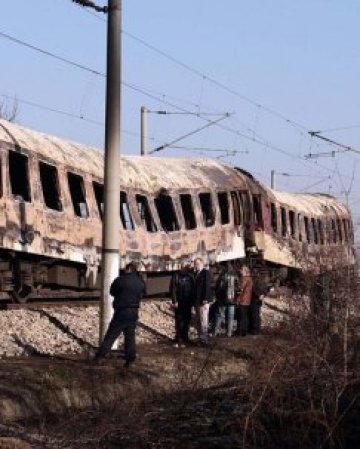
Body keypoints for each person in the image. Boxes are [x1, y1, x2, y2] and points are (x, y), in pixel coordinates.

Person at [94, 262, 145, 367]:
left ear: (129, 269)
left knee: (111, 334)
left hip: (121, 311)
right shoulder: (140, 282)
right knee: (130, 336)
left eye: (126, 268)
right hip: (133, 311)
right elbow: (143, 293)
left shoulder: (120, 280)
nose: (124, 270)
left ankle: (100, 356)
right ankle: (130, 359)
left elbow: (112, 292)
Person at [170, 262, 195, 346]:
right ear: (181, 268)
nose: (186, 269)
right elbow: (173, 289)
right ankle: (178, 337)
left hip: (188, 302)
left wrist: (193, 302)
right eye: (184, 268)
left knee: (187, 320)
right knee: (179, 320)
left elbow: (193, 289)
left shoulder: (190, 277)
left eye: (187, 268)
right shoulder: (176, 276)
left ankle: (185, 336)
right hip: (179, 302)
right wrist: (174, 301)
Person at [214, 262, 239, 337]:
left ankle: (216, 331)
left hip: (222, 299)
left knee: (219, 315)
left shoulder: (222, 275)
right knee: (230, 316)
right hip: (232, 300)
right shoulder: (235, 275)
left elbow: (218, 287)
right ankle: (229, 333)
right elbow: (239, 288)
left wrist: (217, 296)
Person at [194, 258, 212, 346]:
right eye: (195, 264)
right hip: (197, 301)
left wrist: (205, 298)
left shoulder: (205, 273)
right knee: (198, 321)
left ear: (202, 263)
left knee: (203, 321)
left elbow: (207, 286)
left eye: (197, 263)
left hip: (203, 301)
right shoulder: (196, 273)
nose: (196, 265)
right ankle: (200, 338)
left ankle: (204, 340)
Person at [236, 265, 253, 336]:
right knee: (245, 316)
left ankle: (239, 331)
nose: (240, 271)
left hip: (242, 299)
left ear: (245, 271)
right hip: (247, 300)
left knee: (241, 317)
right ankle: (244, 332)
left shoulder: (244, 278)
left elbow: (240, 289)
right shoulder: (250, 279)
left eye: (241, 270)